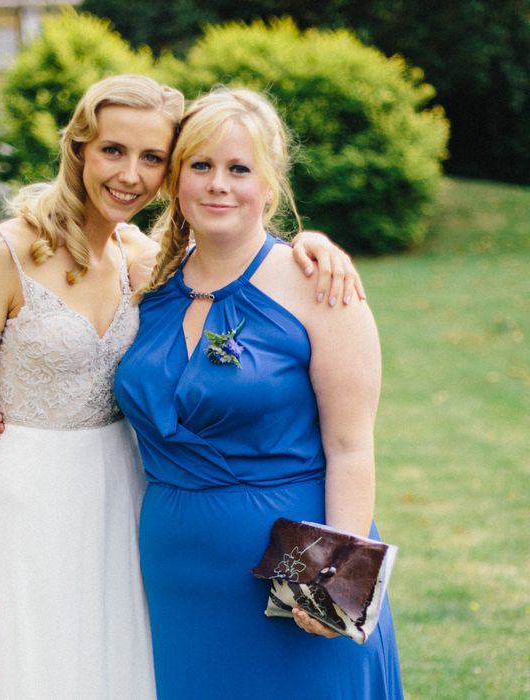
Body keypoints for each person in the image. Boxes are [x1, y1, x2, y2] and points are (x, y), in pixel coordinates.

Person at [0, 74, 364, 699]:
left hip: (127, 499)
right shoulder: (3, 251)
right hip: (29, 502)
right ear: (79, 148)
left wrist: (312, 243)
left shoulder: (145, 260)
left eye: (152, 158)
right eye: (113, 150)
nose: (130, 175)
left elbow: (241, 248)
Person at [112, 88, 403, 698]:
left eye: (239, 168)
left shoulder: (318, 285)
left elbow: (351, 446)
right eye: (201, 166)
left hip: (297, 565)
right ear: (175, 181)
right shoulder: (144, 277)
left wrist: (337, 577)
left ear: (269, 186)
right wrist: (10, 413)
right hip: (178, 571)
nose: (219, 184)